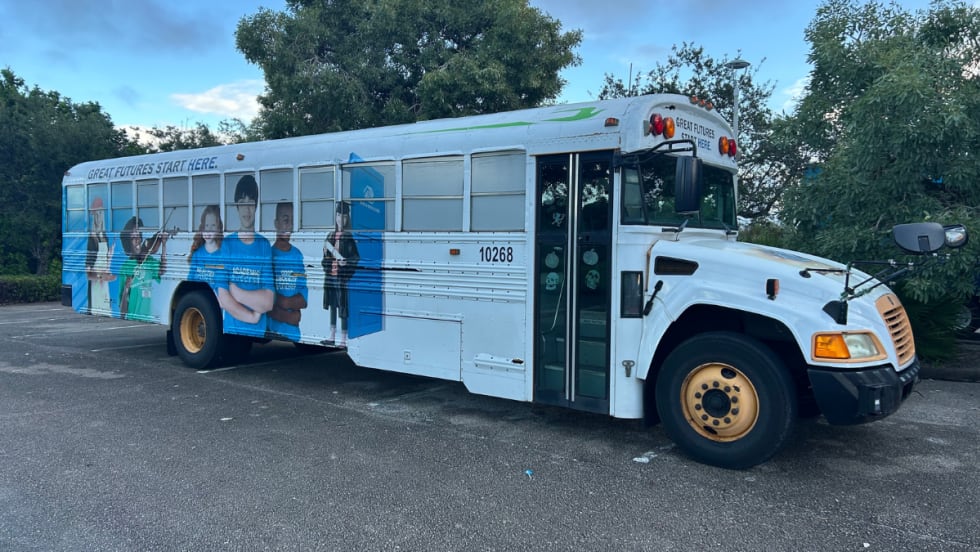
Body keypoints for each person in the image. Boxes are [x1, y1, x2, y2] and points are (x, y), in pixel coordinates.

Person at [220, 175, 274, 337]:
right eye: (242, 204)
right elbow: (223, 297)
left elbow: (268, 301)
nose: (247, 210)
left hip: (260, 331)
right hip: (233, 327)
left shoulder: (264, 245)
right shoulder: (227, 244)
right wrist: (252, 316)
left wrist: (237, 293)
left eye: (251, 203)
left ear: (256, 206)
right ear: (236, 206)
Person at [321, 201, 359, 347]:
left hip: (342, 278)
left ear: (347, 218)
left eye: (343, 216)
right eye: (338, 215)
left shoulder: (348, 237)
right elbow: (324, 258)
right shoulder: (330, 236)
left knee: (343, 307)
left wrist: (346, 263)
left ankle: (343, 338)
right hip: (331, 277)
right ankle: (331, 335)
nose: (340, 219)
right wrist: (328, 262)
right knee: (332, 305)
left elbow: (356, 257)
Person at [269, 201, 308, 341]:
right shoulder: (270, 255)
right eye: (286, 221)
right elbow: (267, 302)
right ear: (276, 223)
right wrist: (290, 315)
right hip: (273, 329)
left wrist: (282, 303)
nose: (289, 226)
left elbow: (304, 299)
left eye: (292, 222)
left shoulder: (297, 255)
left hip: (295, 333)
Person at [118, 216, 167, 321]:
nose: (138, 241)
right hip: (132, 318)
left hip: (148, 318)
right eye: (133, 238)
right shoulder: (125, 267)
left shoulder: (149, 261)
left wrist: (164, 245)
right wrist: (126, 288)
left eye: (139, 236)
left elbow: (162, 270)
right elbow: (122, 311)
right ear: (128, 243)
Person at [86, 197, 115, 314]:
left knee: (106, 310)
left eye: (101, 213)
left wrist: (110, 256)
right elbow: (88, 271)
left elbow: (106, 263)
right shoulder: (92, 238)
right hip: (96, 284)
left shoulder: (104, 236)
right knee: (98, 309)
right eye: (97, 213)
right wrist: (101, 277)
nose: (99, 216)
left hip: (104, 282)